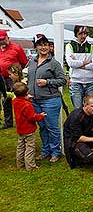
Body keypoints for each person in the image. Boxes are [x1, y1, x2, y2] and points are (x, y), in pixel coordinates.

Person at [27, 34, 67, 163]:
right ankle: (45, 151)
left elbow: (63, 80)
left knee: (52, 127)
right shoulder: (32, 62)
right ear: (36, 47)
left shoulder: (54, 63)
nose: (43, 47)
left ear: (49, 47)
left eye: (45, 45)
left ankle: (55, 151)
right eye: (40, 45)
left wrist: (47, 82)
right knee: (42, 127)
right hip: (34, 100)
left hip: (50, 99)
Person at [12, 82, 46, 170]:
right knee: (30, 148)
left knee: (20, 147)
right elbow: (32, 117)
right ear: (27, 93)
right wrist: (41, 116)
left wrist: (26, 98)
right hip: (29, 130)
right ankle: (30, 166)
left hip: (20, 129)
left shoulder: (15, 101)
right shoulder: (27, 105)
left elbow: (21, 101)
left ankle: (20, 164)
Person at [0, 30, 28, 129]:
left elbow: (24, 62)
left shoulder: (16, 48)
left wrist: (16, 73)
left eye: (3, 39)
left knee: (18, 98)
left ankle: (23, 120)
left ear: (7, 37)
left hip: (13, 78)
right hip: (2, 78)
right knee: (5, 99)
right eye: (0, 40)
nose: (2, 42)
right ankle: (8, 122)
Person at [65, 26, 93, 109]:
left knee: (91, 109)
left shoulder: (91, 47)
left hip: (89, 82)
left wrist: (80, 65)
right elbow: (70, 63)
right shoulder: (69, 46)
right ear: (76, 34)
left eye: (85, 33)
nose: (83, 36)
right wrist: (84, 62)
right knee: (78, 110)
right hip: (76, 82)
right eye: (80, 33)